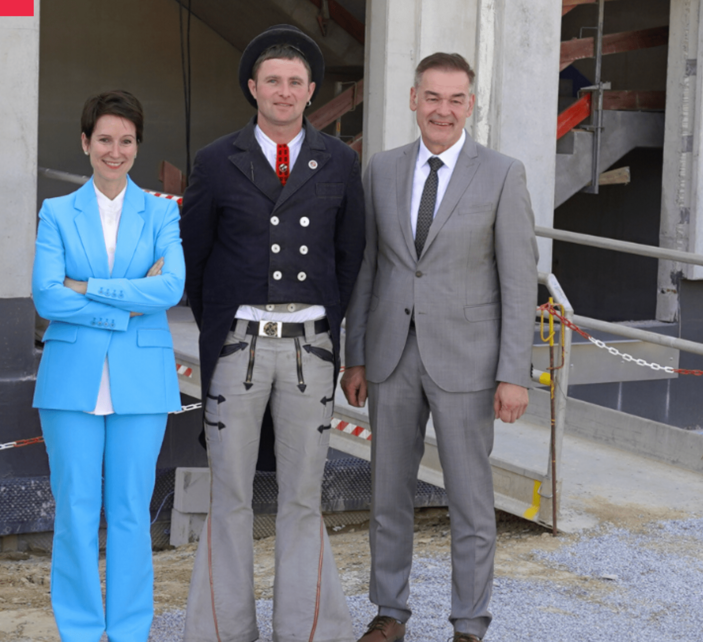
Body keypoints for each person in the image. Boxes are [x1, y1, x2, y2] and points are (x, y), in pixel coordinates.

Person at [341, 52, 539, 642]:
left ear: (470, 105)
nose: (443, 110)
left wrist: (514, 373)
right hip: (390, 356)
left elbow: (519, 280)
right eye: (433, 97)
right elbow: (370, 266)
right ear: (413, 99)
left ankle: (469, 624)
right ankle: (390, 614)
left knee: (472, 504)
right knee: (387, 494)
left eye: (456, 99)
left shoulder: (503, 173)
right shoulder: (381, 168)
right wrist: (356, 353)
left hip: (469, 362)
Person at [181, 25, 366, 642]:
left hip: (310, 347)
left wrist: (330, 336)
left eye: (295, 82)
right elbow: (195, 262)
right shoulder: (214, 160)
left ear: (311, 91)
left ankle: (309, 630)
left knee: (303, 495)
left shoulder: (339, 160)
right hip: (239, 344)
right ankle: (221, 631)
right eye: (272, 81)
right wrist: (224, 333)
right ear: (253, 89)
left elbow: (350, 258)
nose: (283, 92)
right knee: (229, 493)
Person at [31, 90, 185, 642]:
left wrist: (89, 288)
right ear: (85, 143)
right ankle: (77, 630)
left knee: (129, 512)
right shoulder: (57, 212)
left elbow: (170, 287)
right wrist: (126, 305)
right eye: (104, 140)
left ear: (137, 146)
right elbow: (47, 298)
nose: (114, 151)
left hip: (141, 382)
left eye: (125, 141)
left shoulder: (162, 211)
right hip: (71, 380)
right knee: (74, 511)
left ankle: (127, 631)